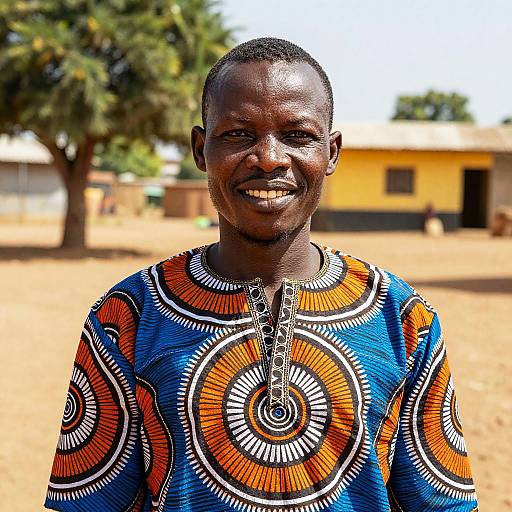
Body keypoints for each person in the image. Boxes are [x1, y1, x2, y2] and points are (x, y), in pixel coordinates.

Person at [45, 38, 478, 512]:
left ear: (331, 153)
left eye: (297, 135)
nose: (269, 158)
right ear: (199, 149)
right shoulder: (128, 317)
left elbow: (443, 505)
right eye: (237, 134)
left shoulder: (403, 319)